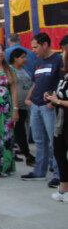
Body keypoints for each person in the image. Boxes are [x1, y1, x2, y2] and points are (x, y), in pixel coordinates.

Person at [21, 32, 62, 189]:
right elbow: (35, 82)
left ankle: (59, 175)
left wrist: (54, 101)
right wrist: (29, 98)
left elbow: (63, 82)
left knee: (54, 141)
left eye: (36, 47)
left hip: (49, 106)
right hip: (36, 105)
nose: (34, 50)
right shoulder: (38, 61)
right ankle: (39, 171)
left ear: (45, 44)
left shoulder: (57, 60)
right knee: (39, 141)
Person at [45, 34, 68, 203]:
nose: (63, 53)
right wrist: (53, 97)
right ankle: (63, 188)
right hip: (61, 121)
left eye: (64, 49)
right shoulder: (65, 75)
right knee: (59, 153)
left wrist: (57, 100)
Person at [0, 43, 18, 176]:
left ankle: (5, 166)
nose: (0, 53)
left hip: (6, 108)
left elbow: (14, 90)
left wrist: (15, 109)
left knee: (6, 136)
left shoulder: (9, 69)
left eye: (2, 50)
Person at [9, 48, 35, 166]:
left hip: (25, 106)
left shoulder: (23, 70)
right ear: (15, 58)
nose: (25, 59)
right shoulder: (10, 70)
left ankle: (19, 152)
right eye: (22, 57)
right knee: (19, 130)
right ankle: (27, 154)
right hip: (16, 106)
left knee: (22, 129)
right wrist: (14, 107)